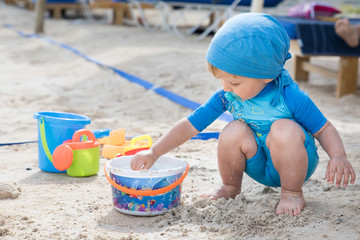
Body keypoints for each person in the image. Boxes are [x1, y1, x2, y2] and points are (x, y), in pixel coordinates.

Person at [130, 13, 356, 216]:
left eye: (235, 82)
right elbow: (191, 124)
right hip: (258, 164)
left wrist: (338, 156)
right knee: (233, 129)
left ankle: (292, 193)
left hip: (295, 164)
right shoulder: (227, 96)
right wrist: (155, 151)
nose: (226, 88)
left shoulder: (290, 96)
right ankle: (230, 186)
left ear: (266, 76)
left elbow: (323, 128)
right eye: (222, 80)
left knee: (282, 128)